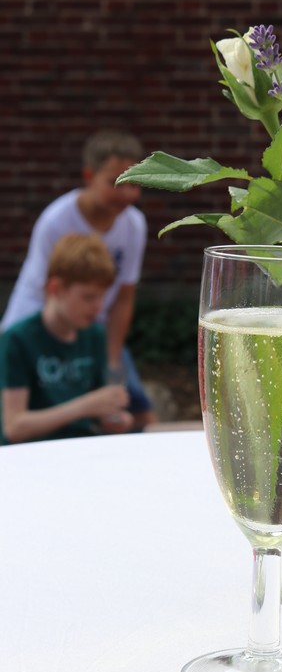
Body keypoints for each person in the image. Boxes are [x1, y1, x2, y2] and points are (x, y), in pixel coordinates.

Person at [0, 128, 155, 426]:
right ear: (88, 177)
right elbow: (49, 292)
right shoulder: (56, 220)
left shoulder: (134, 225)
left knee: (136, 410)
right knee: (42, 407)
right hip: (46, 325)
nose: (127, 194)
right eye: (116, 183)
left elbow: (124, 298)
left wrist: (110, 362)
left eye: (135, 184)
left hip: (91, 326)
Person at [0, 234, 134, 445]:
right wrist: (84, 406)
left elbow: (98, 413)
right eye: (88, 297)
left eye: (102, 296)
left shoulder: (95, 336)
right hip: (31, 453)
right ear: (55, 288)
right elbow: (14, 427)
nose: (99, 306)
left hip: (82, 448)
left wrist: (114, 418)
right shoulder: (17, 339)